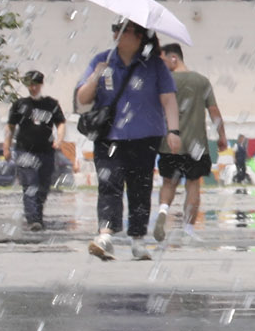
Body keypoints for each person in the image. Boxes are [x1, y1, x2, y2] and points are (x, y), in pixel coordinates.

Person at [76, 20, 181, 261]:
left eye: (123, 30)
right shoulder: (103, 59)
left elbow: (168, 100)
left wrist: (173, 131)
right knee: (109, 184)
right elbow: (82, 98)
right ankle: (105, 236)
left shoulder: (154, 65)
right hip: (109, 138)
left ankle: (137, 239)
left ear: (139, 37)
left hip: (145, 137)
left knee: (140, 187)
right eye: (115, 28)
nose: (116, 34)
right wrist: (96, 75)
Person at [153, 42, 225, 243]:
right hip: (196, 145)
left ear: (174, 58)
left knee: (168, 182)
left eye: (164, 59)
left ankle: (163, 211)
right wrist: (222, 136)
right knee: (193, 185)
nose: (162, 64)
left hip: (169, 142)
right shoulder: (201, 81)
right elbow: (214, 111)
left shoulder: (163, 82)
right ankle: (188, 228)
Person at [5, 70, 67, 233]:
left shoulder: (51, 104)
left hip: (46, 151)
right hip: (25, 150)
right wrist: (7, 146)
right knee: (30, 183)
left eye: (35, 84)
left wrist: (60, 139)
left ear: (41, 84)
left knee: (43, 185)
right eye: (30, 84)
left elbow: (61, 123)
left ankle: (37, 214)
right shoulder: (20, 104)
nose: (33, 88)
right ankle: (33, 219)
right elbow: (10, 126)